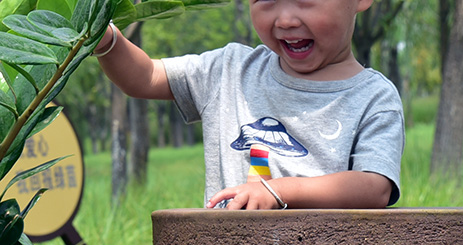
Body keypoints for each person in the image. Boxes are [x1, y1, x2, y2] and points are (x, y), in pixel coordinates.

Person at [93, 0, 404, 211]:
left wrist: (278, 191)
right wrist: (105, 39)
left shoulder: (373, 98)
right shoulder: (230, 71)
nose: (285, 19)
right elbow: (145, 76)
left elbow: (375, 186)